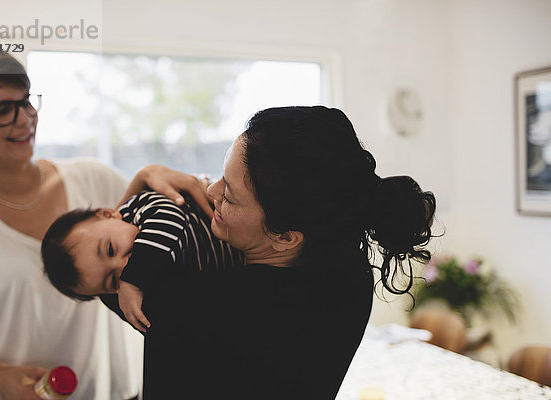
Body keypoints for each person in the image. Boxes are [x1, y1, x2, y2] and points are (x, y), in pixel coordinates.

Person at [0, 48, 211, 400]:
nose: (26, 118)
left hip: (117, 393)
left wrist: (146, 177)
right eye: (1, 111)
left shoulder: (92, 179)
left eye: (26, 101)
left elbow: (144, 233)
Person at [135, 106, 436, 399]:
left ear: (286, 237)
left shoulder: (206, 302)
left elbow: (93, 263)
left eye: (229, 195)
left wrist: (143, 178)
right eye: (221, 176)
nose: (212, 191)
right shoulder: (351, 275)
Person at [40, 190, 244, 332]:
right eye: (112, 281)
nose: (122, 266)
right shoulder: (136, 296)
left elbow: (171, 219)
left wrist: (132, 280)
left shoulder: (140, 208)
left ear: (108, 214)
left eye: (110, 249)